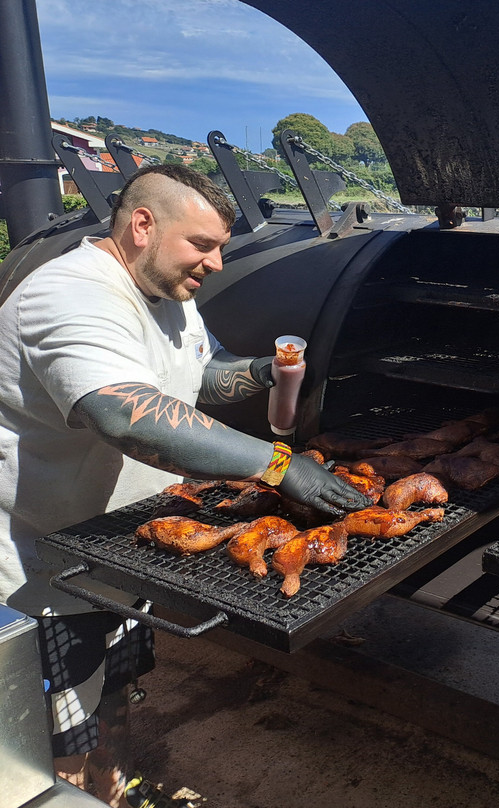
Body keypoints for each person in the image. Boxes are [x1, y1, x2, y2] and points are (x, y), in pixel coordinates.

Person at [0, 164, 371, 806]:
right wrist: (278, 465)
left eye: (222, 246)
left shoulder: (170, 292)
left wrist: (263, 370)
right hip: (42, 563)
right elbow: (123, 413)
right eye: (202, 244)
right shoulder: (70, 293)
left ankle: (112, 791)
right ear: (143, 225)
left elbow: (202, 375)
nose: (217, 263)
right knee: (56, 730)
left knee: (116, 691)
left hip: (122, 545)